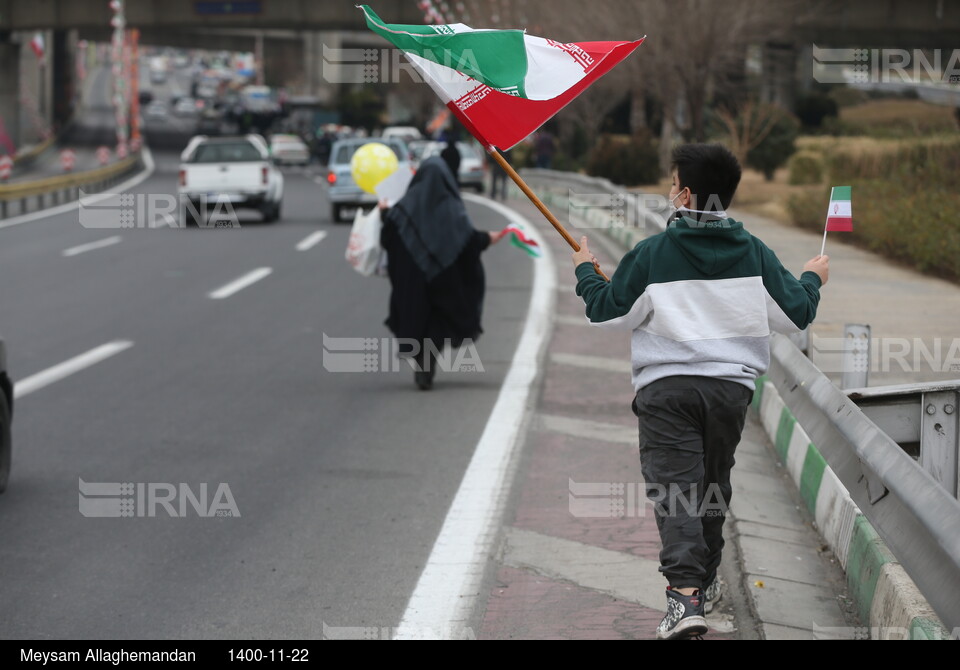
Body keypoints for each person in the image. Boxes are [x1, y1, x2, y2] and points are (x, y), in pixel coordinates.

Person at [571, 143, 829, 640]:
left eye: (672, 183)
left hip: (667, 392)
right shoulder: (755, 252)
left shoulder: (652, 253)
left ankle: (684, 599)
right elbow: (796, 314)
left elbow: (608, 312)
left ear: (685, 193)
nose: (669, 191)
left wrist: (587, 270)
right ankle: (703, 585)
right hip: (729, 394)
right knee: (712, 489)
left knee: (676, 493)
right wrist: (812, 279)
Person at [379, 156, 506, 390]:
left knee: (416, 320)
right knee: (437, 324)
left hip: (413, 283)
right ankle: (427, 365)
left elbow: (388, 235)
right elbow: (467, 241)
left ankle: (422, 365)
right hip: (444, 281)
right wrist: (488, 238)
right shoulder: (452, 208)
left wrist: (384, 213)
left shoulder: (404, 208)